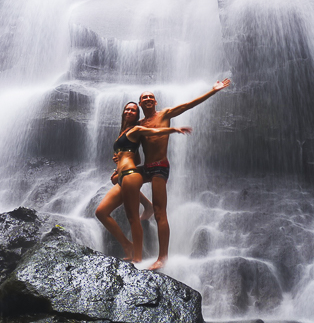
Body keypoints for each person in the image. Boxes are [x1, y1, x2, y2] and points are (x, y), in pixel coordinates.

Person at [137, 79, 231, 270]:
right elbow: (128, 146)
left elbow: (188, 105)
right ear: (140, 104)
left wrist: (213, 91)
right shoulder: (139, 125)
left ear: (155, 102)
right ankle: (145, 205)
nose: (148, 99)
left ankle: (162, 257)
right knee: (122, 179)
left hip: (159, 167)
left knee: (160, 212)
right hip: (145, 167)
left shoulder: (165, 114)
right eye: (144, 97)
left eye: (151, 97)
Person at [94, 100, 191, 264]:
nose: (129, 112)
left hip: (132, 174)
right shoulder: (123, 132)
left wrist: (174, 129)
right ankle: (128, 244)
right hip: (124, 174)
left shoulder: (137, 129)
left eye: (133, 110)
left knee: (133, 218)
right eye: (127, 109)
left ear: (136, 114)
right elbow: (136, 157)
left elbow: (154, 131)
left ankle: (137, 258)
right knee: (101, 212)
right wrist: (117, 165)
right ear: (123, 112)